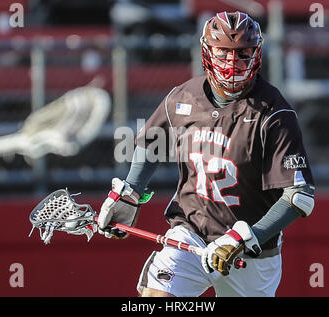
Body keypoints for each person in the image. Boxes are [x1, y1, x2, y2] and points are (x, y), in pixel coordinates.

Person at [97, 11, 316, 297]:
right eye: (223, 52)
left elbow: (299, 197)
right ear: (206, 51)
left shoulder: (273, 113)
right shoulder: (183, 97)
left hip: (249, 249)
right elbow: (152, 140)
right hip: (190, 231)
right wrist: (132, 191)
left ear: (257, 53)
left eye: (242, 53)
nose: (232, 63)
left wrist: (249, 236)